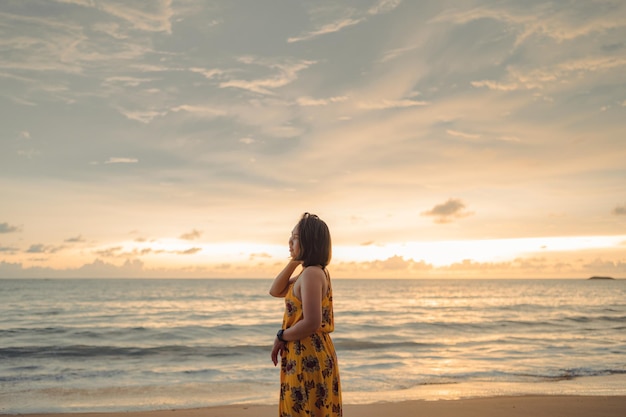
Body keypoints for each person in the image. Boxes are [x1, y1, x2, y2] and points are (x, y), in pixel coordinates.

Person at [269, 212, 342, 417]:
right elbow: (275, 290)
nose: (289, 242)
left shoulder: (311, 274)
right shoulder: (308, 272)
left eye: (295, 238)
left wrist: (280, 336)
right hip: (304, 351)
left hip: (308, 352)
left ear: (309, 241)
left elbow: (312, 322)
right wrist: (294, 261)